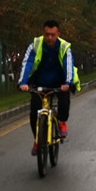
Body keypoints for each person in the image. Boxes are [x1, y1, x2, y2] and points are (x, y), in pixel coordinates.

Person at [19, 20, 75, 156]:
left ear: (58, 34)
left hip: (60, 84)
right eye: (47, 34)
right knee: (34, 112)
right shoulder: (35, 45)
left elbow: (68, 65)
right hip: (40, 83)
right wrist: (23, 83)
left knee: (64, 103)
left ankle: (62, 122)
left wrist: (67, 83)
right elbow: (27, 63)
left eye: (52, 35)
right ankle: (38, 140)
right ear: (43, 33)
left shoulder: (64, 47)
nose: (49, 37)